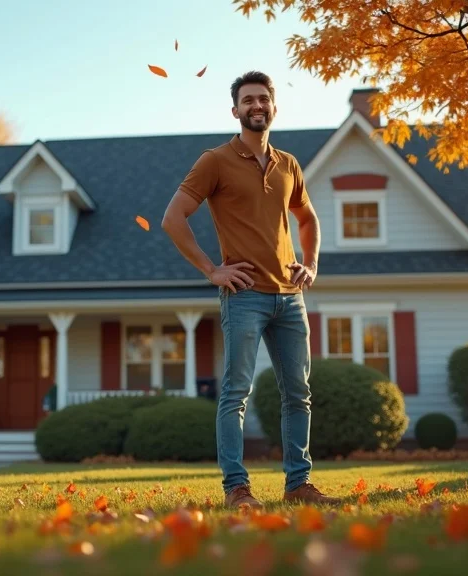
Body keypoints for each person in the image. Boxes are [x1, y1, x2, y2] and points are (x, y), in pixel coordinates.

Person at [161, 71, 337, 509]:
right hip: (245, 297)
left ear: (273, 106)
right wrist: (211, 270)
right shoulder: (215, 161)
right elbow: (173, 217)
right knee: (236, 393)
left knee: (298, 393)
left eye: (263, 99)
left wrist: (311, 264)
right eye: (247, 100)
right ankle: (236, 489)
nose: (256, 106)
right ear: (235, 110)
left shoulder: (288, 164)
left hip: (289, 297)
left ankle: (299, 484)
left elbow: (309, 218)